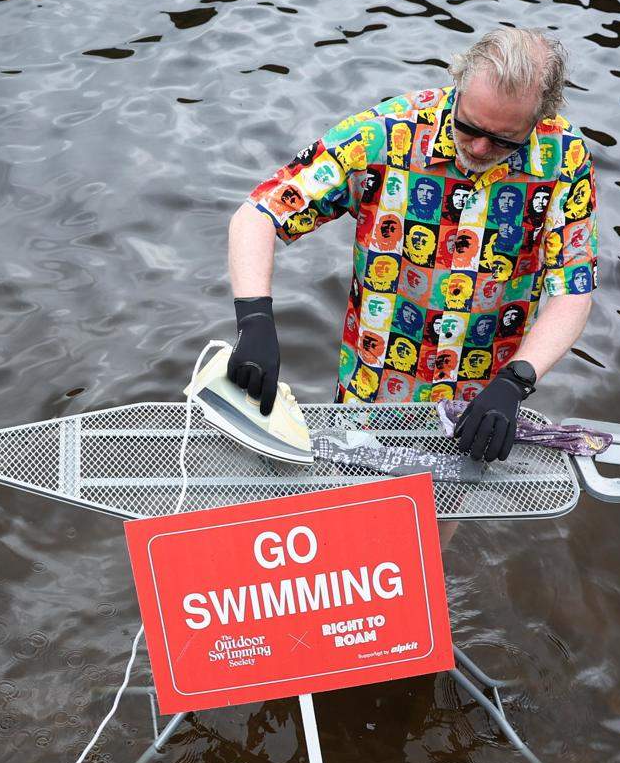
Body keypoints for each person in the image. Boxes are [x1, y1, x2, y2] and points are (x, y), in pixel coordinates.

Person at [224, 26, 597, 476]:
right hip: (372, 393)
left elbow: (572, 288)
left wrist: (517, 381)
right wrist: (255, 321)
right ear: (458, 85)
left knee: (444, 521)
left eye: (502, 140)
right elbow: (259, 214)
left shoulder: (565, 158)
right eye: (470, 127)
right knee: (361, 524)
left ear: (540, 117)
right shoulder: (385, 133)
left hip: (478, 403)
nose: (478, 148)